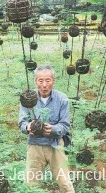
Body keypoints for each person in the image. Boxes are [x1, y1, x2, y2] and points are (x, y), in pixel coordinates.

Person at [18, 64, 75, 193]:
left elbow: (65, 125)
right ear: (35, 81)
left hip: (56, 146)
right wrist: (28, 127)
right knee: (30, 185)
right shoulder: (28, 99)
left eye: (48, 80)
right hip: (35, 146)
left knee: (65, 183)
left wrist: (54, 129)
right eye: (40, 80)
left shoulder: (62, 99)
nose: (44, 85)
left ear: (53, 81)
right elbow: (22, 123)